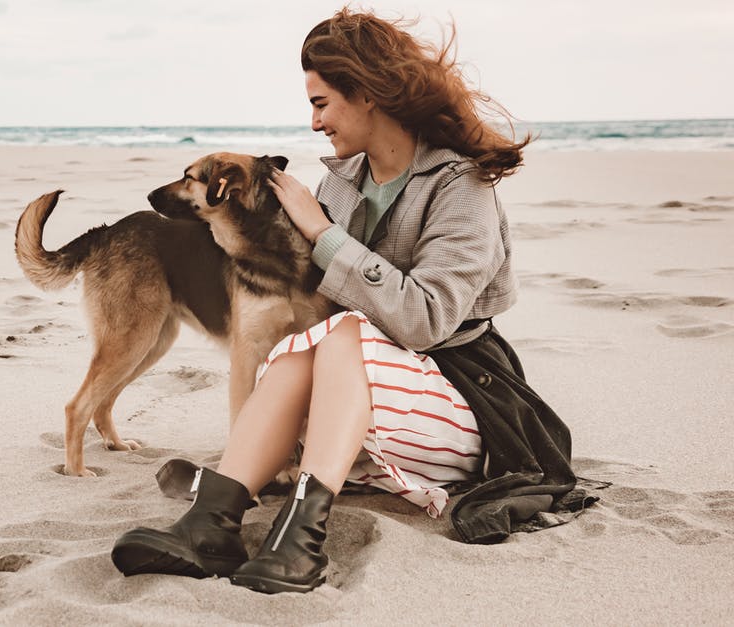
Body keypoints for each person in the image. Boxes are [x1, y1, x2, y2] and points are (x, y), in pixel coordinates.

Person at [110, 7, 585, 594]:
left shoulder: (460, 184)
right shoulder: (344, 178)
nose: (314, 123)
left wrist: (322, 234)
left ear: (368, 95)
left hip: (463, 404)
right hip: (363, 396)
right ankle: (212, 524)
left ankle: (302, 539)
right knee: (313, 341)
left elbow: (425, 319)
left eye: (321, 103)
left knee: (340, 334)